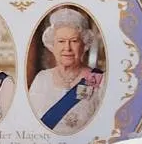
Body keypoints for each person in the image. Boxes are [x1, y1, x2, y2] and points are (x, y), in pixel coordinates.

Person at [27, 7, 105, 135]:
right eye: (61, 41)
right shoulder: (42, 79)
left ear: (84, 45)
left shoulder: (98, 79)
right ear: (53, 45)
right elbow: (29, 123)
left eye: (74, 41)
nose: (67, 48)